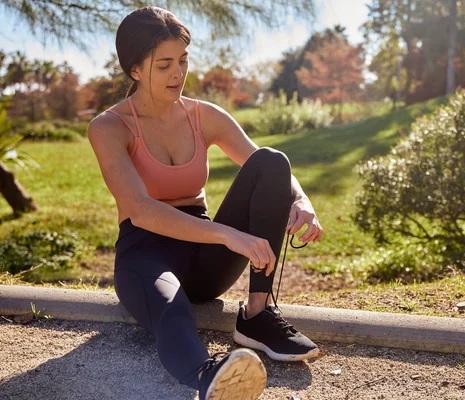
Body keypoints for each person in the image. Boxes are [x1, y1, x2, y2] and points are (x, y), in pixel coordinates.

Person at [87, 6, 324, 400]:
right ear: (134, 70)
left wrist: (300, 200)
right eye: (164, 65)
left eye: (182, 60)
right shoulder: (109, 127)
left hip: (204, 259)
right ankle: (208, 376)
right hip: (145, 254)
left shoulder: (204, 116)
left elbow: (270, 169)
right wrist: (230, 235)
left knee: (271, 160)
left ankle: (258, 316)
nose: (178, 73)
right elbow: (141, 209)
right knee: (171, 307)